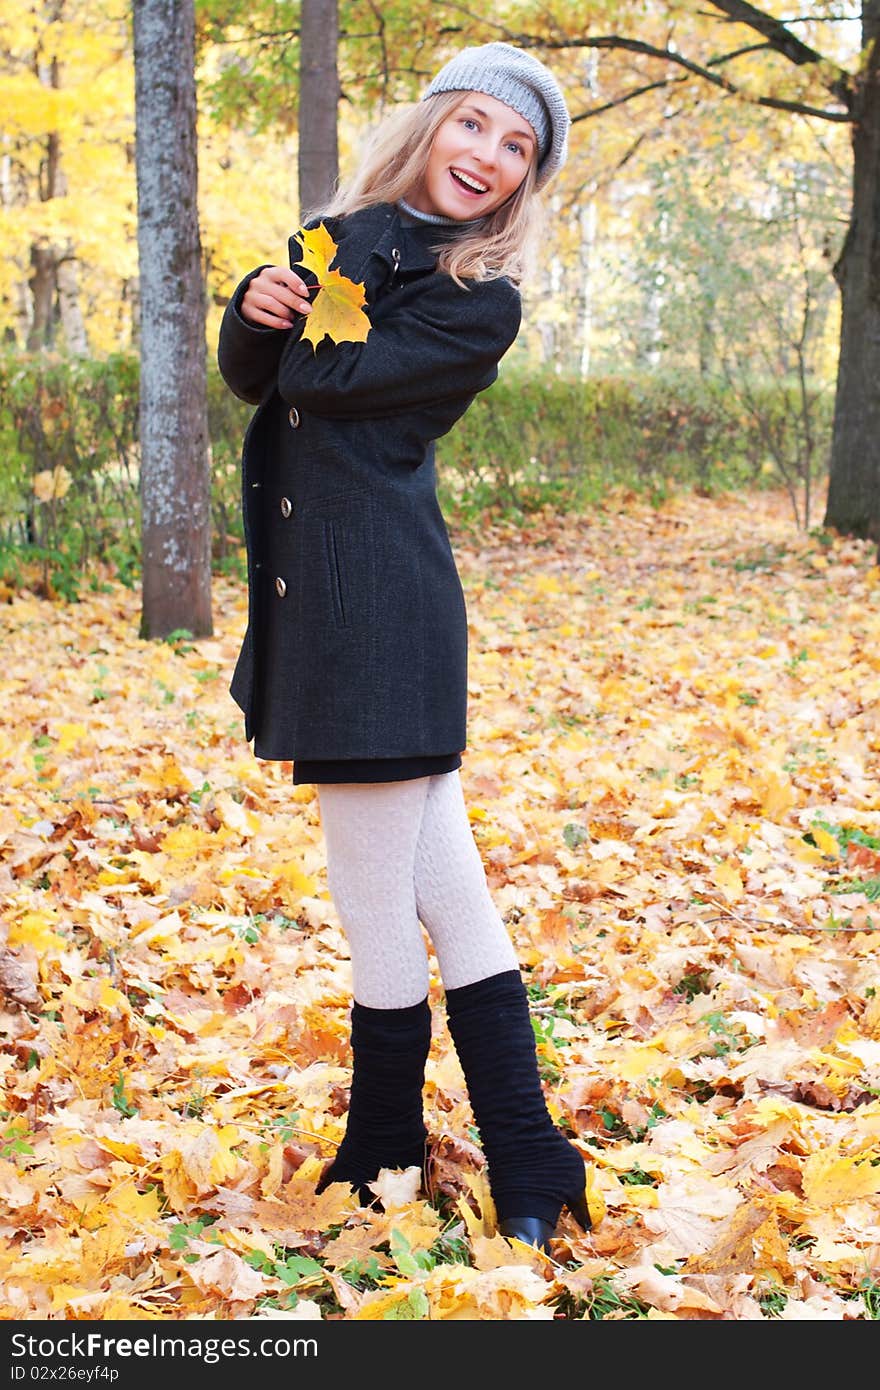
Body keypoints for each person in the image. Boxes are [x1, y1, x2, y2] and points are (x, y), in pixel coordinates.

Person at [217, 41, 590, 1251]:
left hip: (375, 614)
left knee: (380, 899)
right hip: (325, 606)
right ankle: (516, 1153)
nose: (486, 155)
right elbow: (260, 376)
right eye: (473, 124)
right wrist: (253, 302)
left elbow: (324, 380)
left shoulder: (476, 296)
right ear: (432, 125)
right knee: (440, 889)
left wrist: (316, 280)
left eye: (515, 146)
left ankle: (399, 1141)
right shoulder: (352, 242)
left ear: (526, 180)